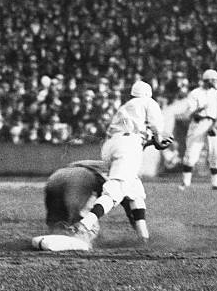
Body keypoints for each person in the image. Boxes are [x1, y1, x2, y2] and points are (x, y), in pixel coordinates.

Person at [71, 80, 172, 246]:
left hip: (111, 146)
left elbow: (131, 138)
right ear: (148, 93)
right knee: (116, 190)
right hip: (128, 146)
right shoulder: (148, 102)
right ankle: (84, 225)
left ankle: (143, 237)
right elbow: (156, 126)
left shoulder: (126, 107)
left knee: (135, 191)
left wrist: (152, 141)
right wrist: (159, 140)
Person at [179, 69, 217, 190]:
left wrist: (215, 127)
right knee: (192, 152)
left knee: (214, 153)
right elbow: (190, 113)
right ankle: (186, 183)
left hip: (212, 123)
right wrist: (199, 109)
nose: (216, 82)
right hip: (198, 123)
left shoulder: (216, 94)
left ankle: (216, 184)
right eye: (215, 80)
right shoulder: (195, 93)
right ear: (209, 80)